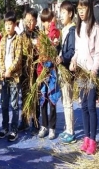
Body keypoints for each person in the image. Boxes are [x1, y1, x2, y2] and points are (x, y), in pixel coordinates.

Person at [69, 0, 99, 155]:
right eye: (79, 8)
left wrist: (94, 70)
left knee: (91, 106)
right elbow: (76, 51)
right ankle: (86, 139)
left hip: (91, 73)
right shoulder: (78, 27)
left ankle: (93, 140)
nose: (81, 11)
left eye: (84, 8)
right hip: (81, 73)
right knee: (83, 106)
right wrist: (74, 61)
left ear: (89, 8)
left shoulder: (95, 28)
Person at [0, 11, 22, 142]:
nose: (8, 27)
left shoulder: (18, 39)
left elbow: (18, 58)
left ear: (15, 25)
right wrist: (2, 70)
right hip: (4, 77)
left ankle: (14, 129)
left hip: (14, 77)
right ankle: (5, 127)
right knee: (4, 103)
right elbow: (0, 57)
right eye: (6, 24)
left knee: (14, 104)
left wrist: (10, 70)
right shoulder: (2, 40)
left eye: (10, 24)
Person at [37, 8, 61, 140]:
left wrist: (53, 26)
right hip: (42, 72)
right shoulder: (41, 36)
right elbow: (39, 54)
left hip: (52, 72)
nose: (46, 24)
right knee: (43, 100)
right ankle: (44, 126)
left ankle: (52, 128)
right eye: (44, 21)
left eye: (48, 21)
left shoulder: (55, 34)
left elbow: (56, 48)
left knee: (52, 100)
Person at [56, 0, 76, 144]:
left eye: (63, 13)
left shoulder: (72, 30)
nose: (61, 15)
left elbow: (71, 51)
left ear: (70, 13)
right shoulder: (64, 29)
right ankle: (67, 128)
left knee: (68, 101)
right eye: (60, 12)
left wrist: (62, 57)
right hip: (62, 68)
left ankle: (71, 131)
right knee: (64, 100)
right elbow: (63, 50)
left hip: (68, 69)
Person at [18, 8, 40, 135]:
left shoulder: (39, 35)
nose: (29, 23)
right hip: (25, 72)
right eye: (27, 21)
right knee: (25, 95)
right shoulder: (22, 36)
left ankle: (36, 122)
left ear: (36, 21)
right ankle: (24, 120)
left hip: (36, 72)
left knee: (36, 96)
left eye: (31, 20)